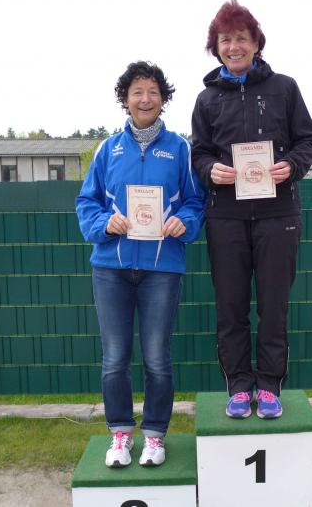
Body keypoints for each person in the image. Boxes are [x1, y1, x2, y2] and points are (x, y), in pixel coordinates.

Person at [191, 0, 312, 419]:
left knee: (273, 307)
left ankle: (268, 386)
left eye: (241, 38)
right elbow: (199, 153)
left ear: (256, 43)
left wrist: (292, 166)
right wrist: (210, 171)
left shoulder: (285, 88)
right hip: (225, 218)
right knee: (230, 308)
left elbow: (308, 141)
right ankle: (238, 387)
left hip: (278, 216)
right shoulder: (206, 99)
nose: (234, 46)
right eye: (225, 40)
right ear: (216, 47)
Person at [77, 61, 206, 467]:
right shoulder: (107, 149)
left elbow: (195, 201)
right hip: (110, 269)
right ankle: (120, 434)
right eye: (137, 92)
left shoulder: (181, 149)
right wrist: (104, 223)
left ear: (163, 99)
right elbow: (87, 202)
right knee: (115, 358)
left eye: (153, 91)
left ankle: (154, 435)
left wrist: (184, 222)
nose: (145, 99)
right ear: (125, 99)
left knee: (156, 358)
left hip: (161, 269)